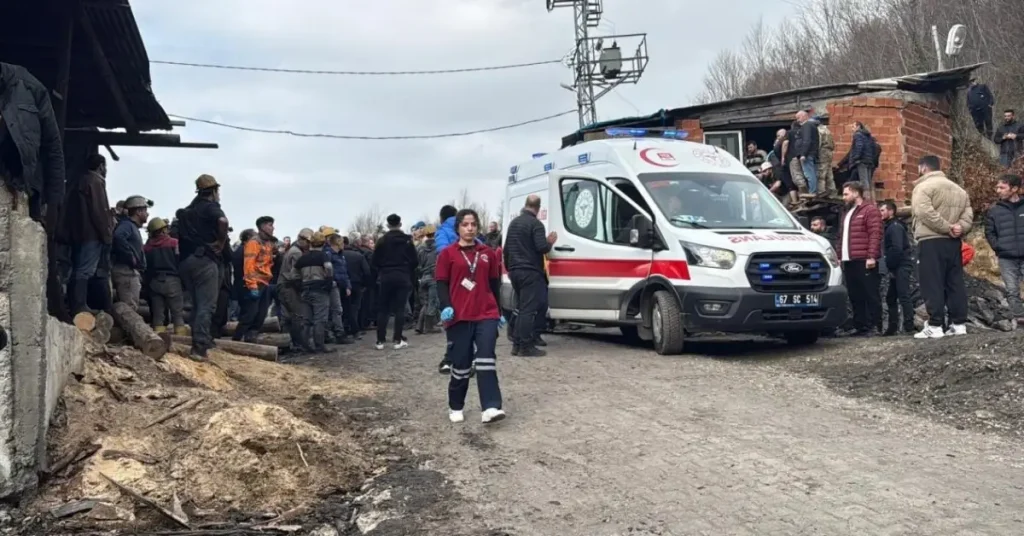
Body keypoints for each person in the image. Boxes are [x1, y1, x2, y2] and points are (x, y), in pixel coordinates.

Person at [436, 208, 506, 424]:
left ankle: (491, 407)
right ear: (458, 227)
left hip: (486, 313)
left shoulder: (487, 253)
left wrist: (499, 311)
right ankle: (455, 405)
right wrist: (446, 306)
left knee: (486, 359)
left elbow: (494, 284)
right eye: (465, 225)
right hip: (459, 315)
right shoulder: (448, 254)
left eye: (473, 224)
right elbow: (441, 283)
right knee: (462, 364)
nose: (469, 228)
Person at [910, 155, 973, 339]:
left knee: (932, 283)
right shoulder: (959, 190)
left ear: (923, 168)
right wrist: (959, 227)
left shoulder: (923, 187)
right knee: (954, 282)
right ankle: (958, 324)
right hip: (953, 242)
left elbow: (923, 212)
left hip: (930, 241)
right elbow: (968, 213)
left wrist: (946, 227)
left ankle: (936, 325)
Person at [177, 174, 230, 361]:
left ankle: (201, 340)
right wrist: (221, 243)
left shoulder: (188, 211)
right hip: (205, 261)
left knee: (197, 305)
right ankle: (199, 348)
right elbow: (223, 222)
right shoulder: (211, 207)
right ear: (214, 191)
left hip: (186, 262)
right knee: (206, 306)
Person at [504, 195, 557, 356]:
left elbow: (506, 249)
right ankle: (525, 346)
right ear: (538, 208)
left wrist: (509, 268)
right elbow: (542, 247)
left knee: (521, 307)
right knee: (528, 310)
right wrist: (550, 241)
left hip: (514, 271)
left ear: (525, 205)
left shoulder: (514, 224)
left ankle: (517, 344)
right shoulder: (536, 224)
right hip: (530, 271)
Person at [60, 153, 112, 315]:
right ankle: (79, 306)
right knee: (84, 270)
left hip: (80, 234)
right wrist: (106, 233)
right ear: (101, 166)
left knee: (79, 269)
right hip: (92, 234)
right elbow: (99, 211)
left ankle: (78, 305)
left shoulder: (80, 181)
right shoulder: (95, 182)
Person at [836, 182, 883, 336]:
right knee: (855, 295)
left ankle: (876, 326)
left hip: (864, 260)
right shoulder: (848, 212)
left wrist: (871, 256)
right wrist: (839, 256)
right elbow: (841, 237)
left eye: (846, 194)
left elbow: (875, 234)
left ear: (856, 193)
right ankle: (861, 325)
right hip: (849, 260)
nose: (844, 197)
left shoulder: (870, 210)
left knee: (870, 293)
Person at [373, 214, 418, 350]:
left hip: (386, 276)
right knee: (400, 308)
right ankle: (397, 339)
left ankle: (380, 340)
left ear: (387, 225)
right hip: (402, 275)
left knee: (383, 308)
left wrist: (381, 271)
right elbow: (415, 260)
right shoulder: (407, 240)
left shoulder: (381, 241)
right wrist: (407, 270)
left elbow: (374, 261)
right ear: (400, 224)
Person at [985, 174, 1024, 323]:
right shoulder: (994, 211)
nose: (998, 190)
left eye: (1002, 187)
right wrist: (998, 248)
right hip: (1006, 257)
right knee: (1012, 290)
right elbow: (989, 232)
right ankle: (1019, 319)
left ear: (1014, 189)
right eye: (997, 187)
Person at [235, 216, 277, 343]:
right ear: (262, 227)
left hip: (264, 282)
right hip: (254, 283)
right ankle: (236, 340)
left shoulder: (268, 243)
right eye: (270, 225)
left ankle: (250, 339)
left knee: (261, 314)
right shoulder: (254, 243)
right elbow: (249, 266)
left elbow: (268, 263)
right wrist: (252, 285)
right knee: (249, 315)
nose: (272, 228)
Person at [143, 217, 186, 334]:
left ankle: (158, 339)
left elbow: (145, 266)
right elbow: (179, 260)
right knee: (177, 313)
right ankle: (181, 339)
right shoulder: (174, 243)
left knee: (158, 314)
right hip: (172, 280)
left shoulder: (146, 247)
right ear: (163, 230)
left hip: (154, 282)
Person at [293, 232, 333, 353]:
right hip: (320, 289)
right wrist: (328, 283)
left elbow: (294, 273)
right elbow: (329, 269)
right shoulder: (324, 256)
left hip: (305, 290)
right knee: (320, 319)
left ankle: (305, 345)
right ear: (324, 243)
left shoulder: (303, 257)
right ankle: (319, 345)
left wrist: (299, 285)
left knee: (307, 319)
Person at [879, 200, 915, 336]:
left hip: (901, 265)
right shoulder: (891, 226)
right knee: (891, 297)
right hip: (897, 265)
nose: (880, 213)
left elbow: (897, 248)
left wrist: (890, 266)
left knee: (903, 295)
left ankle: (909, 327)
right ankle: (893, 327)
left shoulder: (894, 227)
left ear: (891, 211)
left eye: (882, 210)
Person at [111, 195, 151, 309]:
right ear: (138, 211)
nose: (147, 214)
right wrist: (130, 257)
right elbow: (118, 237)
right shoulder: (127, 225)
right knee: (130, 307)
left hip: (129, 271)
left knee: (131, 306)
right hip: (126, 271)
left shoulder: (131, 227)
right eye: (145, 210)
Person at [279, 229, 315, 353]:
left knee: (288, 317)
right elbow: (295, 275)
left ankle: (287, 343)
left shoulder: (293, 250)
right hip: (289, 286)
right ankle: (298, 344)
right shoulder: (297, 253)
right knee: (297, 316)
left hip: (285, 285)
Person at [838, 122, 880, 202]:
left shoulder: (858, 135)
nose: (852, 128)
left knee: (864, 182)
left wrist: (855, 159)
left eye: (853, 126)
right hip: (869, 162)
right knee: (868, 182)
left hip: (862, 161)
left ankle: (867, 202)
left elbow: (858, 147)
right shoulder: (868, 137)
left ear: (858, 126)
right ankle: (872, 201)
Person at [324, 231, 353, 344]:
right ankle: (338, 333)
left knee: (337, 310)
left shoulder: (340, 255)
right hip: (334, 285)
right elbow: (332, 271)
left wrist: (347, 285)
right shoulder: (329, 254)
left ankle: (336, 331)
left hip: (341, 284)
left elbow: (344, 272)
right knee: (336, 310)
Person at [342, 234, 371, 338]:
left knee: (344, 307)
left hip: (343, 284)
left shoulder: (339, 255)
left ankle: (345, 328)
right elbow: (367, 271)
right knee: (355, 307)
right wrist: (365, 284)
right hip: (357, 284)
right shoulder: (358, 255)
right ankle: (355, 328)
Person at [416, 224, 440, 334]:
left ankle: (419, 326)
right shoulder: (438, 247)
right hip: (433, 277)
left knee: (425, 303)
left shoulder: (420, 248)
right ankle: (429, 326)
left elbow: (417, 264)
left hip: (423, 278)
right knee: (432, 302)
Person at [792, 110, 820, 194]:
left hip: (807, 154)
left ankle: (812, 192)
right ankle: (813, 190)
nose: (798, 120)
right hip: (811, 153)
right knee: (811, 172)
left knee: (809, 173)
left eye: (799, 117)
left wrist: (803, 154)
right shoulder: (810, 125)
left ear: (805, 116)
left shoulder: (807, 125)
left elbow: (807, 140)